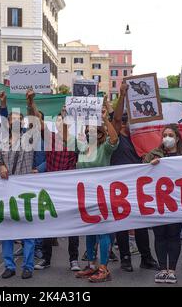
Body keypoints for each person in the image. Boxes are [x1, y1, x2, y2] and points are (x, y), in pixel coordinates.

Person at [23, 91, 81, 272]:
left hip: (69, 190)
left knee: (73, 225)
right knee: (48, 223)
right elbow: (38, 122)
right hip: (51, 191)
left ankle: (74, 259)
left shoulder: (76, 142)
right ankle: (46, 259)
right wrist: (31, 101)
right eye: (58, 120)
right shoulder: (51, 139)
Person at [110, 82, 158, 272]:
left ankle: (146, 258)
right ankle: (126, 259)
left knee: (141, 223)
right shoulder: (116, 137)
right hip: (119, 186)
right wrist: (122, 96)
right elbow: (114, 117)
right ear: (123, 124)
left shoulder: (139, 140)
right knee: (122, 223)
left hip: (138, 187)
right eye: (130, 122)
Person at [75, 107, 119, 283]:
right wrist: (66, 118)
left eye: (92, 130)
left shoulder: (105, 148)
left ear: (100, 133)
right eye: (86, 131)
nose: (88, 133)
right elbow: (65, 137)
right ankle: (92, 265)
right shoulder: (83, 147)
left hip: (101, 196)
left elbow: (115, 138)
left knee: (102, 231)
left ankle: (103, 268)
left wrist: (105, 119)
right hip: (85, 196)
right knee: (90, 230)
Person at [0, 94, 38, 280]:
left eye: (18, 119)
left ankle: (28, 266)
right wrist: (1, 166)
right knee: (7, 231)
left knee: (28, 231)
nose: (13, 121)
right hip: (7, 192)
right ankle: (9, 265)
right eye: (11, 119)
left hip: (25, 192)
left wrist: (30, 103)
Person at [144, 124, 182, 284]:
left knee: (173, 236)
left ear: (177, 138)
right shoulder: (154, 154)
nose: (167, 138)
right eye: (164, 135)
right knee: (159, 236)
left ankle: (172, 270)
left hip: (177, 203)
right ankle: (162, 269)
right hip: (157, 203)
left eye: (170, 135)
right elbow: (140, 171)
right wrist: (150, 165)